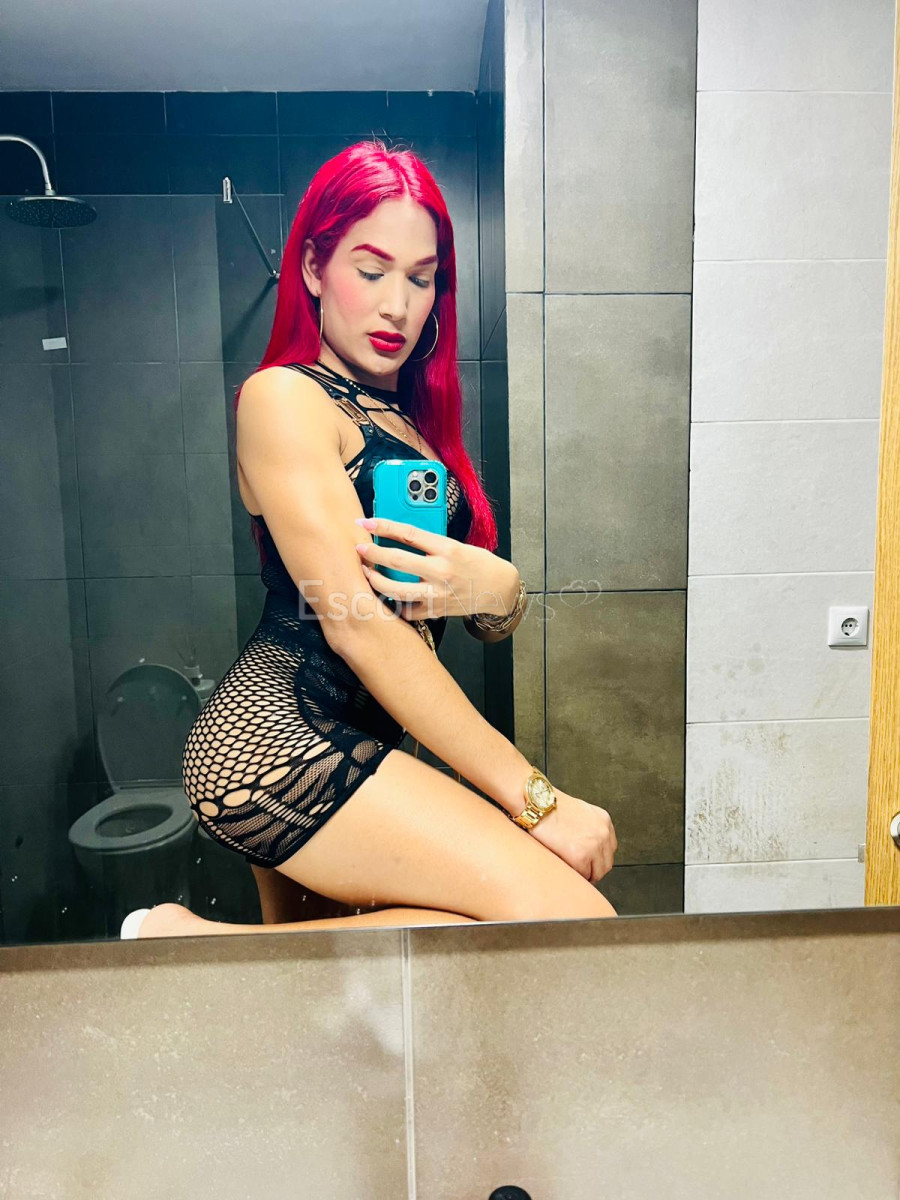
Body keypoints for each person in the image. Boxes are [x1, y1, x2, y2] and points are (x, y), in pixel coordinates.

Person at [125, 139, 617, 940]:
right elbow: (356, 623)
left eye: (421, 279)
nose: (397, 305)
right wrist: (538, 801)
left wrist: (499, 588)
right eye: (371, 269)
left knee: (342, 998)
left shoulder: (411, 424)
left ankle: (208, 952)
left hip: (357, 735)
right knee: (569, 916)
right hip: (277, 738)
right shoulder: (284, 397)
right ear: (314, 267)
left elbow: (449, 614)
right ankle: (187, 941)